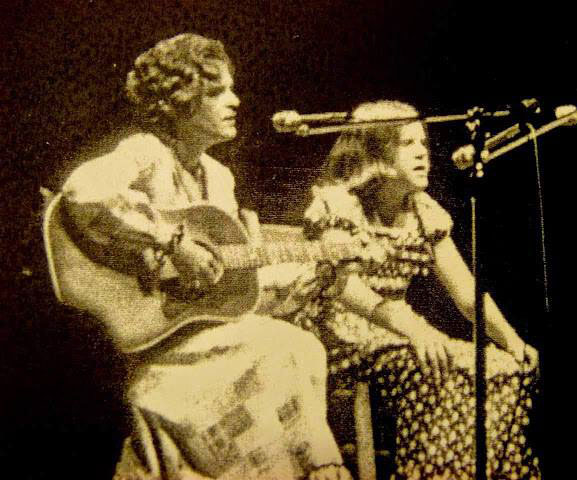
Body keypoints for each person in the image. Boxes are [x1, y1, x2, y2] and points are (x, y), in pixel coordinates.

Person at [60, 34, 351, 480]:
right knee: (287, 348)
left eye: (231, 89)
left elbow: (228, 285)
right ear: (181, 100)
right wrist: (172, 242)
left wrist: (310, 269)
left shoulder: (220, 178)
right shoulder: (146, 154)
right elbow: (83, 190)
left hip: (199, 334)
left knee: (299, 344)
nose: (235, 101)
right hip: (149, 341)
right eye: (217, 92)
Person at [277, 100, 541, 479]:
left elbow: (467, 293)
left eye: (423, 143)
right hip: (342, 336)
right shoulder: (339, 204)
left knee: (505, 369)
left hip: (400, 336)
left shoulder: (423, 211)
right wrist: (414, 329)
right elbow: (346, 287)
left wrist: (511, 340)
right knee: (449, 372)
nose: (423, 154)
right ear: (376, 154)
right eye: (407, 144)